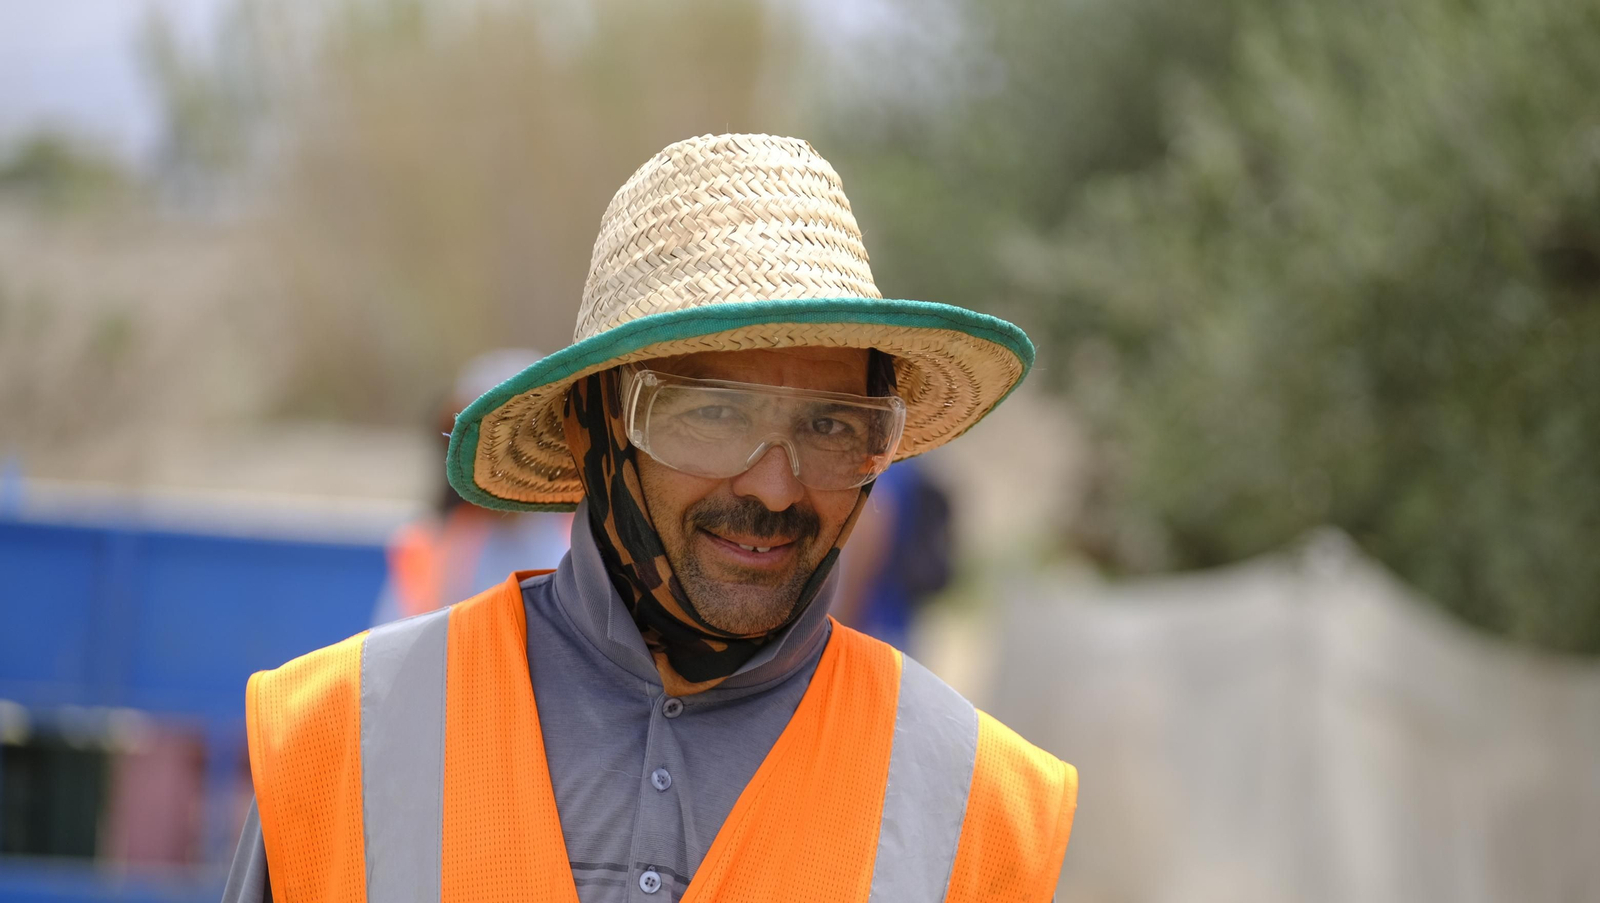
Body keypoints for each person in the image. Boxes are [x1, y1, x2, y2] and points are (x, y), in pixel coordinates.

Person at [223, 134, 1076, 903]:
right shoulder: (336, 742)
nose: (776, 489)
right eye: (712, 413)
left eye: (830, 426)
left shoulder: (982, 809)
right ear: (588, 425)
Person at [372, 349, 573, 625]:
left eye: (519, 432)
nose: (500, 453)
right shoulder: (430, 548)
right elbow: (394, 652)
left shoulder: (588, 539)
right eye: (482, 433)